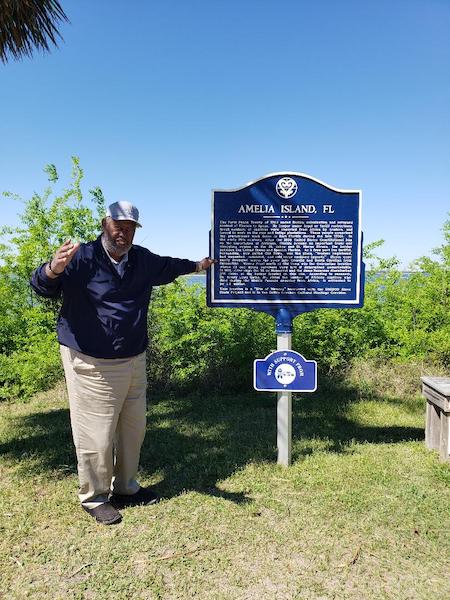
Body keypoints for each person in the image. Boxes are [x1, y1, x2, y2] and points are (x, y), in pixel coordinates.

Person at [30, 201, 215, 525]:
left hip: (133, 359)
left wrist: (200, 265)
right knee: (95, 435)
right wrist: (54, 268)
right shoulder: (82, 257)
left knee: (133, 429)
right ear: (105, 224)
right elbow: (42, 287)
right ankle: (94, 497)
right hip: (91, 362)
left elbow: (170, 266)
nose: (123, 232)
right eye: (118, 225)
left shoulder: (141, 260)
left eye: (129, 227)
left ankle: (127, 488)